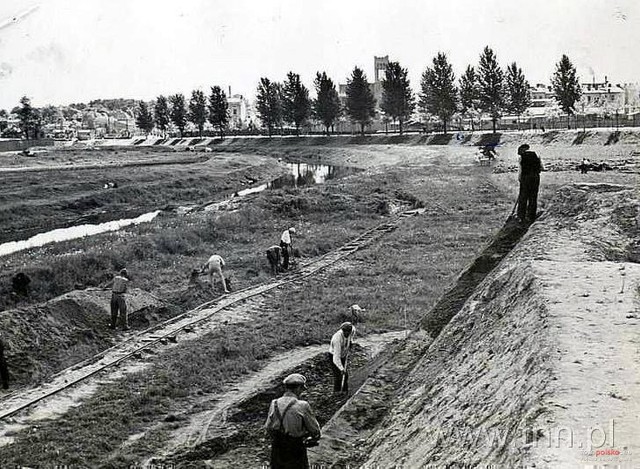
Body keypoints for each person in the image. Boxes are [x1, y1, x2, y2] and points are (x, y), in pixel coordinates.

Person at [265, 373, 321, 469]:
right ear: (298, 388)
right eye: (301, 389)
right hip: (295, 448)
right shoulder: (302, 405)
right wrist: (312, 438)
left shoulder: (274, 403)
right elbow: (315, 431)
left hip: (277, 448)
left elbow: (268, 427)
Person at [517, 144, 543, 224]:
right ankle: (531, 216)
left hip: (525, 177)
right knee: (533, 197)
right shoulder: (537, 155)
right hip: (535, 177)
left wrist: (520, 179)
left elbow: (520, 170)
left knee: (523, 197)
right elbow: (541, 168)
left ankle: (521, 216)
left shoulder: (521, 156)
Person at [328, 322, 356, 394]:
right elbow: (336, 358)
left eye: (348, 332)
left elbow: (352, 334)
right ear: (342, 330)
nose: (346, 333)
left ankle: (344, 391)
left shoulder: (352, 330)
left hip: (343, 354)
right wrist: (341, 368)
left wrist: (351, 342)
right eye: (344, 331)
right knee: (338, 375)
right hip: (334, 355)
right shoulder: (337, 339)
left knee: (345, 376)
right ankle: (336, 393)